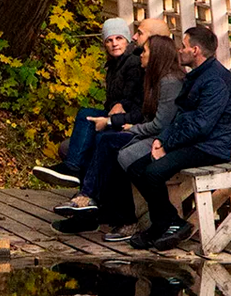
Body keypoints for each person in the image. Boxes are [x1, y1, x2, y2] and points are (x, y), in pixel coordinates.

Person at [96, 25, 231, 250]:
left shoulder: (216, 81)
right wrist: (161, 140)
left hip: (209, 147)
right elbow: (180, 117)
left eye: (183, 46)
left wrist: (167, 143)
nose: (179, 50)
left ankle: (161, 225)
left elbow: (201, 126)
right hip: (190, 141)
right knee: (135, 167)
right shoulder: (197, 76)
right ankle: (171, 222)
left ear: (195, 50)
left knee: (153, 172)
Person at [51, 34, 185, 224]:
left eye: (144, 52)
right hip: (146, 132)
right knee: (101, 139)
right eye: (108, 39)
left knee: (109, 143)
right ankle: (91, 206)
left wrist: (131, 128)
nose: (140, 56)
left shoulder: (169, 82)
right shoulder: (151, 79)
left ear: (156, 56)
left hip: (161, 140)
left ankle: (91, 200)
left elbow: (160, 125)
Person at [31, 17, 150, 187]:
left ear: (127, 40)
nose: (114, 44)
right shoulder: (113, 65)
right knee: (83, 122)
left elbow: (132, 95)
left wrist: (121, 105)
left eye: (118, 39)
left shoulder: (132, 62)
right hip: (114, 115)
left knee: (87, 116)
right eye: (109, 40)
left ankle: (75, 172)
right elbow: (111, 101)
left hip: (129, 118)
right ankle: (81, 181)